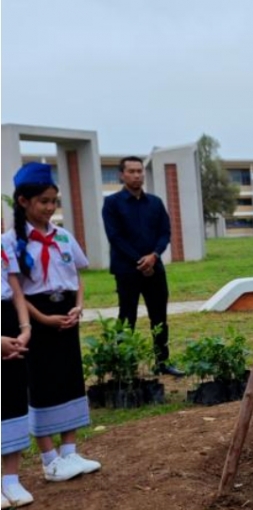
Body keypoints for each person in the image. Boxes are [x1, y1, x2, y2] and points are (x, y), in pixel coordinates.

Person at [3, 162, 101, 482]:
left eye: (53, 201)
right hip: (36, 315)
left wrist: (79, 306)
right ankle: (49, 458)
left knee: (70, 378)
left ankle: (70, 451)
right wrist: (42, 318)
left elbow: (77, 276)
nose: (49, 208)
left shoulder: (63, 236)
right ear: (23, 202)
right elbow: (16, 291)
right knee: (41, 382)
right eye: (43, 201)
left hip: (67, 313)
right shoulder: (11, 241)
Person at [102, 156, 182, 376]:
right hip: (127, 270)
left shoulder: (155, 203)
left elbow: (165, 232)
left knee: (159, 317)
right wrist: (141, 261)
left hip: (155, 269)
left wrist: (154, 256)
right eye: (131, 171)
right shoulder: (112, 204)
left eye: (139, 171)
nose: (137, 175)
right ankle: (125, 365)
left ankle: (162, 362)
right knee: (127, 317)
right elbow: (115, 237)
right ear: (122, 175)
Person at [2, 236, 34, 509]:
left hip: (10, 324)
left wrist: (25, 330)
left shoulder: (3, 246)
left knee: (13, 400)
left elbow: (16, 290)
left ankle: (11, 478)